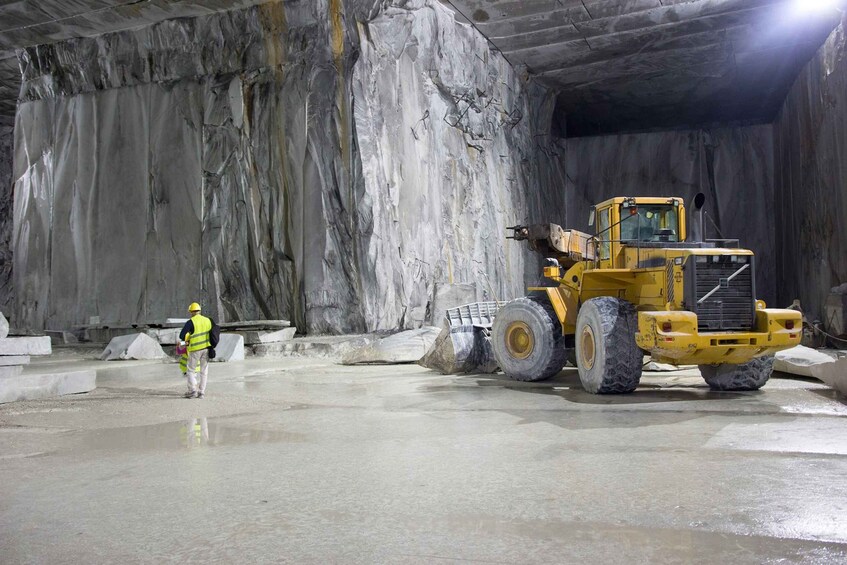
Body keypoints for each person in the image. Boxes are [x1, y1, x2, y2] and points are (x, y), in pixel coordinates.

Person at [178, 302, 212, 399]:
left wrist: (184, 342)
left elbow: (182, 336)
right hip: (206, 349)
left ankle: (192, 391)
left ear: (191, 312)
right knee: (204, 372)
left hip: (195, 350)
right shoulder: (207, 320)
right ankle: (201, 392)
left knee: (191, 371)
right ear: (200, 311)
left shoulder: (191, 322)